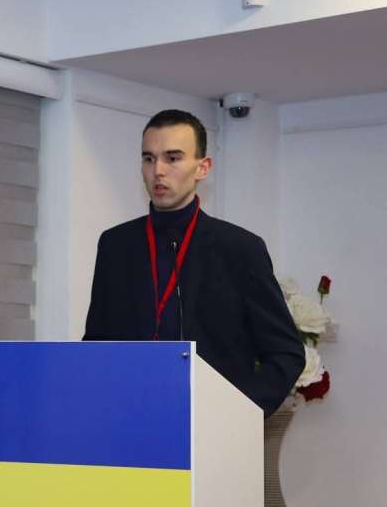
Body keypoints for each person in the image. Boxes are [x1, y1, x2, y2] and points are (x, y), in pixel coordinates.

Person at [83, 109, 304, 418]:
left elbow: (286, 353)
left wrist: (237, 412)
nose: (158, 171)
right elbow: (96, 344)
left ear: (203, 168)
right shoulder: (116, 244)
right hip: (129, 417)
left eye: (173, 158)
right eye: (149, 158)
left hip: (213, 425)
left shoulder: (240, 248)